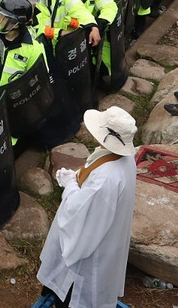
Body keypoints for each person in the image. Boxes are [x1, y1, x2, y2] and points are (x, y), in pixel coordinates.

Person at [37, 106, 137, 308]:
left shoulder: (106, 178)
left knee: (73, 293)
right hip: (105, 239)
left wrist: (71, 185)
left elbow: (78, 212)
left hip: (89, 252)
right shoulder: (124, 159)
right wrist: (76, 178)